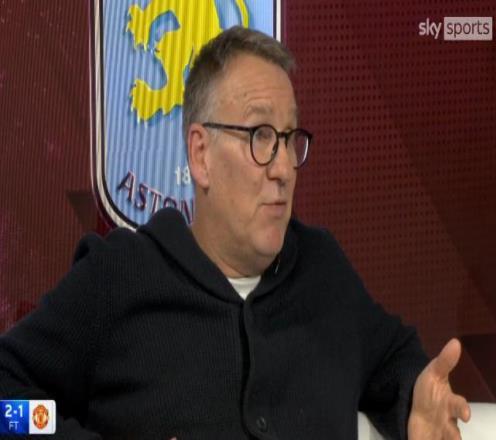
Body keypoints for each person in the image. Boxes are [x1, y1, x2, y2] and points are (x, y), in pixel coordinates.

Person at [0, 26, 469, 440]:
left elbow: (394, 360)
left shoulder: (323, 271)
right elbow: (6, 406)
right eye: (260, 135)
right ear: (200, 154)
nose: (283, 168)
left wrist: (415, 397)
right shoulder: (119, 276)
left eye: (289, 137)